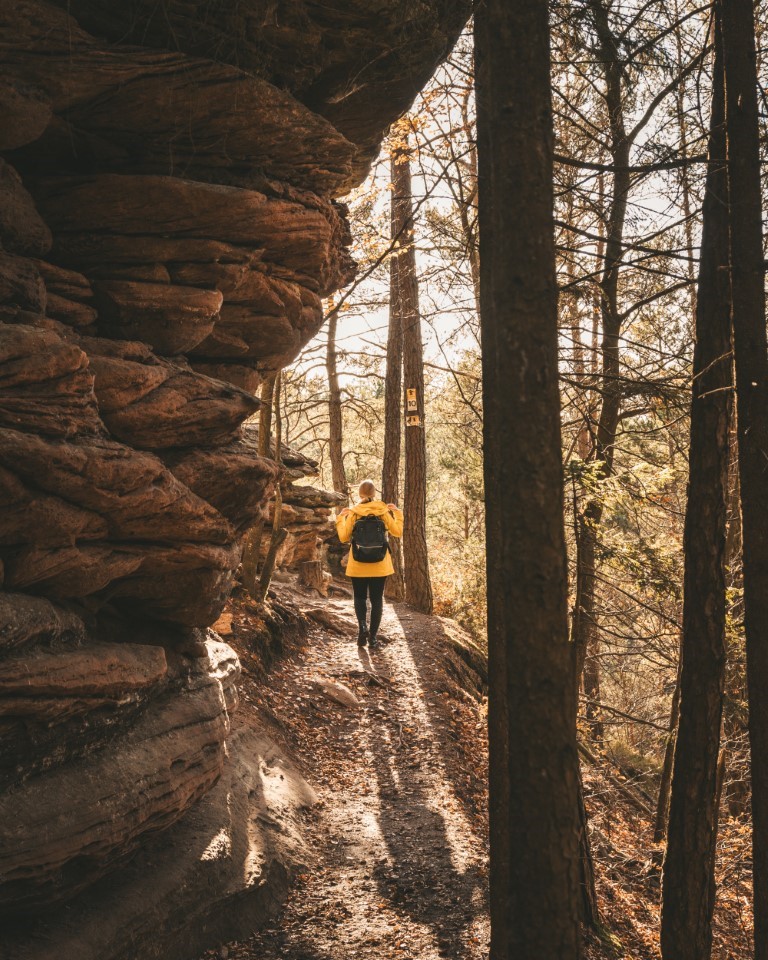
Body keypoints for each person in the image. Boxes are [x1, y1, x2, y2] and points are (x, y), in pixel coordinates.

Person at [336, 479, 403, 648]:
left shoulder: (354, 512)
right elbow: (397, 532)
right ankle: (373, 638)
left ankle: (362, 629)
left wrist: (340, 518)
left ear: (360, 494)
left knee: (359, 597)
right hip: (379, 564)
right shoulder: (382, 511)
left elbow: (344, 537)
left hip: (358, 563)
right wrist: (398, 513)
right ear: (374, 493)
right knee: (376, 600)